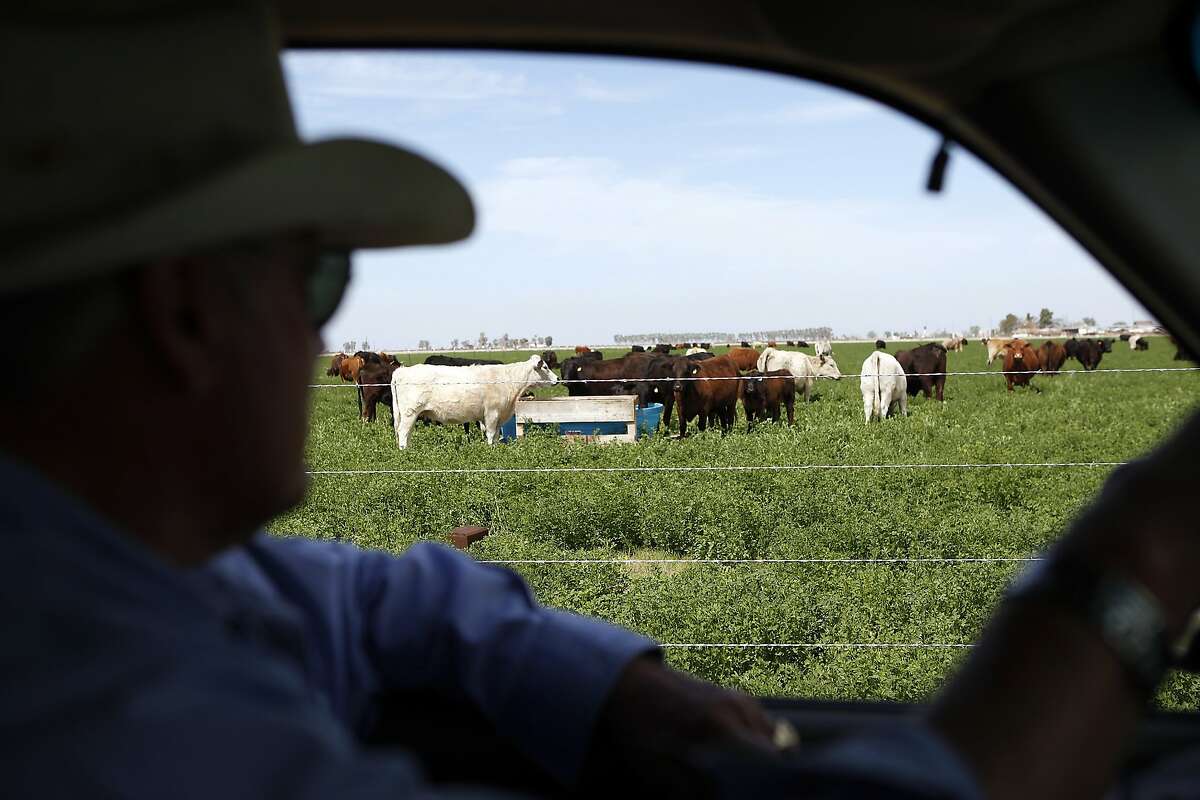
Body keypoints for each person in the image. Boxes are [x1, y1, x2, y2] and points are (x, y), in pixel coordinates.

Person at [4, 4, 1199, 799]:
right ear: (186, 311)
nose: (330, 339)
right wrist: (1144, 541)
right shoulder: (128, 738)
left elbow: (363, 584)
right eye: (316, 275)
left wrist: (605, 678)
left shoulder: (126, 568)